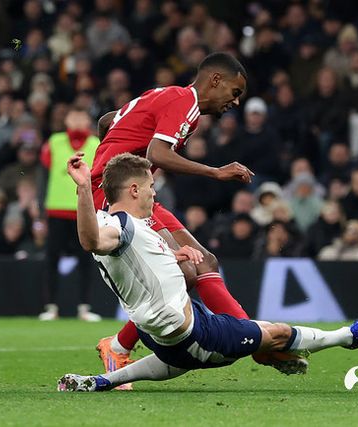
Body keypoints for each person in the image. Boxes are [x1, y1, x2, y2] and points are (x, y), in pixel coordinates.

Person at [57, 152, 358, 392]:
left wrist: (173, 255)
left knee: (186, 356)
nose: (153, 192)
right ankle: (348, 337)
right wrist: (84, 188)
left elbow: (132, 259)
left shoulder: (126, 224)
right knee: (274, 333)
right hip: (192, 334)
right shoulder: (118, 225)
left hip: (161, 331)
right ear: (133, 190)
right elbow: (92, 241)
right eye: (149, 186)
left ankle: (103, 381)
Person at [91, 52, 273, 380]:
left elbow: (107, 120)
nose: (235, 102)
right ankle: (118, 346)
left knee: (204, 261)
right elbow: (157, 153)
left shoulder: (166, 96)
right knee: (183, 269)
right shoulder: (184, 102)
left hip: (137, 192)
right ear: (215, 80)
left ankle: (252, 337)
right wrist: (215, 172)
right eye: (234, 92)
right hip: (115, 196)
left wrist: (114, 151)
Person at [38, 107, 102, 321]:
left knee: (87, 259)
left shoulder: (95, 144)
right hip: (56, 209)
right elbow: (43, 176)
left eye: (81, 117)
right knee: (51, 259)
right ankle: (51, 307)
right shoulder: (54, 142)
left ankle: (84, 307)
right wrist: (40, 207)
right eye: (73, 116)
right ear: (65, 120)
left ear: (88, 122)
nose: (76, 121)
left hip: (84, 210)